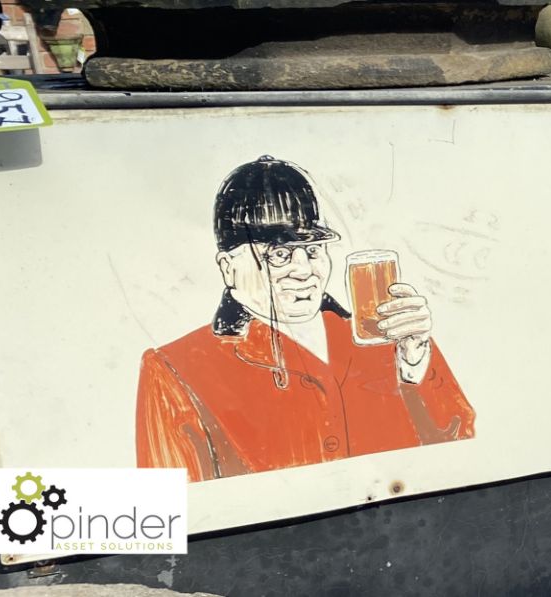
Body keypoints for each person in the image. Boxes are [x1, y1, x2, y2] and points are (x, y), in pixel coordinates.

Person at [136, 156, 475, 482]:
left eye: (312, 251)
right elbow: (179, 516)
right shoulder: (175, 369)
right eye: (279, 255)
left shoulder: (382, 339)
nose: (304, 271)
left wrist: (417, 367)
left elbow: (464, 452)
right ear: (228, 268)